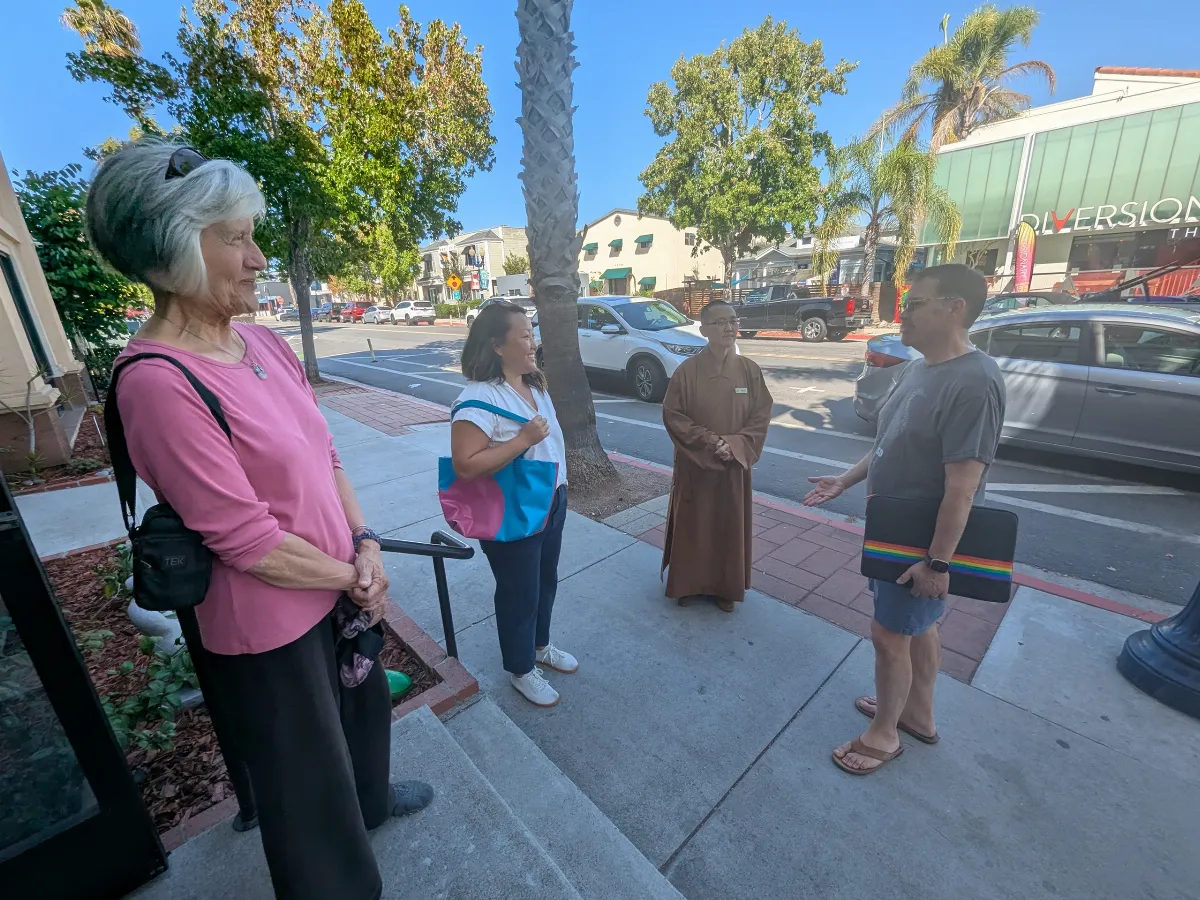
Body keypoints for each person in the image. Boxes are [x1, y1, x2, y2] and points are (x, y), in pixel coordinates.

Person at [85, 140, 432, 900]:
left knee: (365, 714)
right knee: (305, 784)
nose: (258, 255)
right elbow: (246, 542)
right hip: (269, 625)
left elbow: (326, 452)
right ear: (173, 253)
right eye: (236, 238)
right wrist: (354, 574)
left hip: (341, 584)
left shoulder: (264, 340)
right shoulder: (158, 382)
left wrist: (365, 544)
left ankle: (371, 807)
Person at [803, 264, 1005, 775]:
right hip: (892, 528)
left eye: (916, 304)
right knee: (918, 628)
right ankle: (915, 713)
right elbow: (888, 443)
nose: (904, 312)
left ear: (955, 308)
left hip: (921, 539)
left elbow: (962, 487)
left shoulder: (975, 381)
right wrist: (845, 482)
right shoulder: (920, 368)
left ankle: (885, 734)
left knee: (890, 634)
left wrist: (937, 563)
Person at [449, 301, 575, 708]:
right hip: (514, 509)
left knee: (545, 582)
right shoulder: (478, 399)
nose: (532, 342)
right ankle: (521, 669)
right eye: (523, 335)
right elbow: (465, 466)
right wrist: (522, 441)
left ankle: (540, 646)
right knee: (519, 592)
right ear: (497, 346)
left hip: (551, 500)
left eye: (531, 333)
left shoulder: (534, 385)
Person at [661, 299, 773, 611]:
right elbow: (674, 415)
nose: (729, 327)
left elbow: (761, 415)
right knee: (693, 524)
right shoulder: (687, 372)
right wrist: (711, 443)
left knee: (728, 525)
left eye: (733, 321)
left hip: (732, 466)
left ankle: (726, 587)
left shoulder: (749, 371)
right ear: (704, 329)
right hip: (695, 465)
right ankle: (688, 584)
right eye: (720, 322)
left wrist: (735, 445)